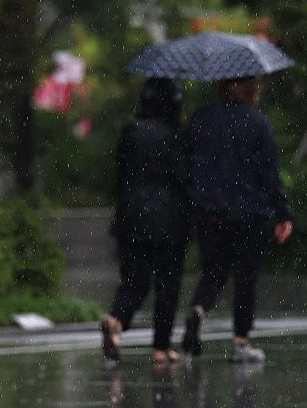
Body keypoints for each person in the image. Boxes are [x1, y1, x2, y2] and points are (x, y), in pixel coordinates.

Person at [181, 76, 293, 364]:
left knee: (213, 272)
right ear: (251, 89)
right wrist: (282, 212)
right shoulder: (257, 122)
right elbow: (270, 172)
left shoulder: (201, 119)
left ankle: (199, 309)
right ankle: (240, 344)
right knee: (246, 278)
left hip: (209, 211)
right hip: (249, 212)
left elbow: (186, 162)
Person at [102, 78, 193, 366]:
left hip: (132, 216)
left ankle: (116, 321)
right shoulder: (176, 135)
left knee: (134, 280)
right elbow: (184, 178)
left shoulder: (131, 132)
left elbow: (119, 172)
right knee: (168, 284)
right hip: (169, 220)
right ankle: (161, 348)